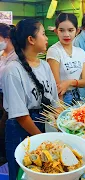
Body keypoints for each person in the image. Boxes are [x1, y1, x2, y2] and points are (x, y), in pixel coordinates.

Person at [3, 19, 59, 179]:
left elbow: (54, 102)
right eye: (43, 34)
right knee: (23, 173)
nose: (47, 38)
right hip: (21, 129)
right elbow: (20, 115)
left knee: (43, 171)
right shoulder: (13, 70)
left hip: (42, 124)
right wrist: (42, 138)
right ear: (31, 39)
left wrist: (62, 125)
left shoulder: (45, 66)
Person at [47, 13, 85, 105]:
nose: (66, 34)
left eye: (70, 30)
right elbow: (57, 87)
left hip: (79, 96)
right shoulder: (54, 51)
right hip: (62, 98)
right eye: (62, 30)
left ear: (77, 31)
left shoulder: (81, 52)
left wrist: (69, 82)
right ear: (56, 31)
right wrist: (59, 108)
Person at [0, 23, 18, 164]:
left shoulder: (16, 57)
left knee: (4, 129)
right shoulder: (2, 55)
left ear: (7, 39)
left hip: (8, 97)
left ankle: (5, 158)